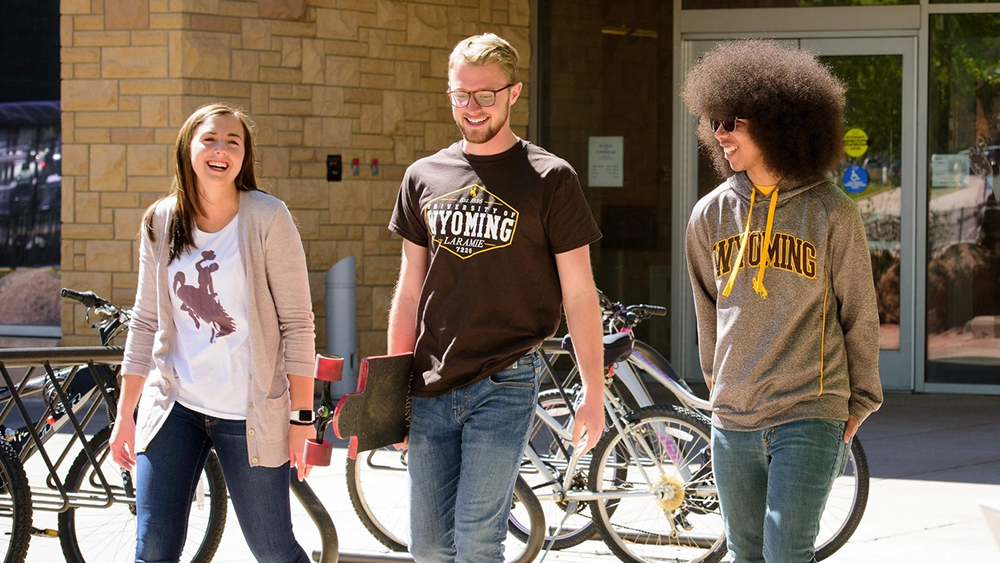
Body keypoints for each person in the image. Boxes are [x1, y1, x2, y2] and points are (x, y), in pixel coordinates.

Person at [387, 33, 606, 563]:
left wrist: (593, 393)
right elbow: (409, 290)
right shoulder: (423, 176)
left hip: (505, 382)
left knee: (478, 542)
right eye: (461, 94)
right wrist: (392, 394)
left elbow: (579, 294)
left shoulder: (550, 179)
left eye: (486, 94)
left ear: (514, 93)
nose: (472, 107)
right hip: (430, 383)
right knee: (429, 547)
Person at [682, 39, 884, 563]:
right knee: (746, 554)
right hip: (732, 417)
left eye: (733, 121)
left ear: (779, 122)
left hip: (808, 410)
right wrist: (720, 388)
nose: (719, 133)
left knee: (786, 552)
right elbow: (708, 312)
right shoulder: (709, 216)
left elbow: (859, 311)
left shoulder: (832, 213)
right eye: (714, 121)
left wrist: (860, 399)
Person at [110, 102, 316, 563]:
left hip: (250, 414)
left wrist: (301, 419)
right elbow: (145, 320)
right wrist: (126, 414)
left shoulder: (268, 217)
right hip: (173, 407)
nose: (220, 149)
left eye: (233, 141)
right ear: (188, 149)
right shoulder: (160, 221)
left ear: (244, 157)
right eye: (210, 139)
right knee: (153, 548)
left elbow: (298, 324)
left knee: (274, 549)